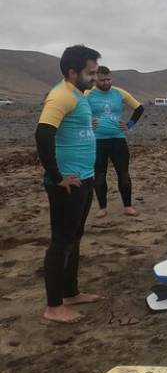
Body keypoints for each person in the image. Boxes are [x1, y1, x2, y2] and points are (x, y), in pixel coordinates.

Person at [35, 45, 103, 323]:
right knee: (61, 242)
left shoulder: (80, 94)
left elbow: (71, 128)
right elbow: (43, 134)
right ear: (73, 72)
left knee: (74, 238)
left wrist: (88, 127)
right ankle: (53, 307)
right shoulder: (61, 95)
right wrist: (56, 176)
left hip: (83, 179)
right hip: (66, 183)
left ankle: (70, 292)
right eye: (91, 72)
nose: (95, 77)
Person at [86, 66, 144, 217]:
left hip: (118, 139)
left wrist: (129, 125)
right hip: (97, 141)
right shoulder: (87, 94)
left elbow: (139, 108)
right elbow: (74, 110)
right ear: (95, 79)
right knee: (99, 175)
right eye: (102, 80)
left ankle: (128, 206)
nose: (106, 82)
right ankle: (102, 208)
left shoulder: (119, 93)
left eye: (108, 79)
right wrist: (86, 122)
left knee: (123, 173)